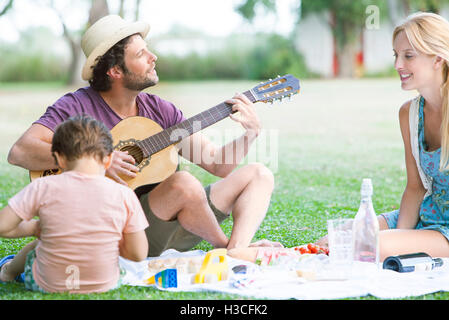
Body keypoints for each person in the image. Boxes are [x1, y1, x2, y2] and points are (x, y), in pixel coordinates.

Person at [7, 15, 280, 257]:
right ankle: (223, 247)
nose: (153, 57)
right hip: (124, 236)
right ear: (115, 71)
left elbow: (218, 164)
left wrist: (250, 134)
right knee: (183, 183)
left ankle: (236, 249)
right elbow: (20, 152)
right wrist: (97, 160)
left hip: (178, 224)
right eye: (140, 54)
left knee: (259, 174)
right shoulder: (77, 106)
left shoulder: (161, 111)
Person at [316, 12, 449, 261]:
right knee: (339, 238)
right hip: (427, 214)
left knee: (370, 245)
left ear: (438, 59)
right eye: (396, 55)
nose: (398, 65)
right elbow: (415, 188)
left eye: (408, 56)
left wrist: (393, 243)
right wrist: (402, 238)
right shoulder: (409, 114)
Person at [0, 115, 149, 293]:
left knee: (42, 242)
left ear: (59, 159)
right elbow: (138, 254)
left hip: (46, 286)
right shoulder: (124, 194)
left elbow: (3, 226)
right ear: (109, 160)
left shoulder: (43, 186)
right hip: (105, 284)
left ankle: (7, 272)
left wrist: (35, 228)